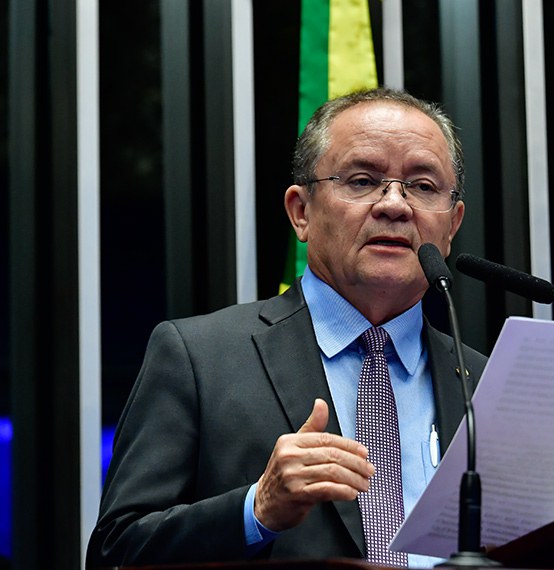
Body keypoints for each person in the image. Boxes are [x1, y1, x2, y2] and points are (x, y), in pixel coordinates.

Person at [86, 88, 487, 567]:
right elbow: (116, 551)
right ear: (301, 212)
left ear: (452, 225)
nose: (395, 205)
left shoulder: (483, 384)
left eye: (423, 186)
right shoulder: (200, 358)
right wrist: (256, 510)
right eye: (362, 180)